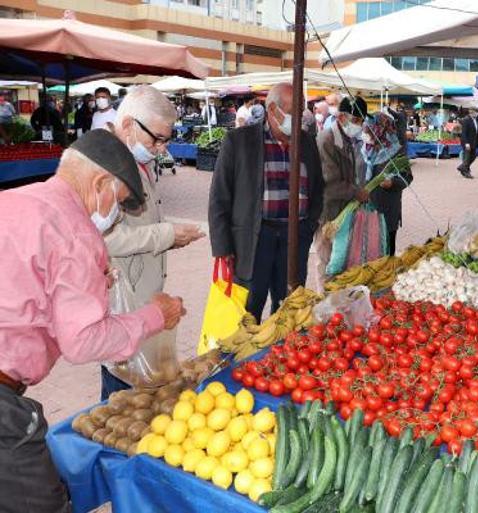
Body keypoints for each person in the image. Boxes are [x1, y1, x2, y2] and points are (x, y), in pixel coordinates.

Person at [0, 129, 185, 513]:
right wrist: (155, 316)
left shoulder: (14, 200)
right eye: (117, 201)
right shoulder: (76, 231)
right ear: (101, 183)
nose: (114, 216)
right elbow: (83, 341)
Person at [100, 85, 205, 399]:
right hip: (122, 302)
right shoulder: (104, 166)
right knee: (119, 396)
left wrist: (169, 236)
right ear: (130, 125)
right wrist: (166, 235)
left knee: (138, 392)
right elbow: (103, 240)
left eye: (166, 139)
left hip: (141, 298)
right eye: (157, 138)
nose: (161, 148)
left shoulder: (133, 161)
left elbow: (137, 224)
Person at [209, 82, 324, 320]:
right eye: (293, 112)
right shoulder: (238, 141)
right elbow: (219, 196)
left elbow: (318, 187)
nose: (299, 118)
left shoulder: (307, 142)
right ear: (272, 110)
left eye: (301, 112)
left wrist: (308, 226)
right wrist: (222, 246)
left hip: (294, 239)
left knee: (287, 309)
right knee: (248, 310)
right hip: (254, 239)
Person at [316, 96, 369, 280]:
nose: (358, 125)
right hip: (329, 213)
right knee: (328, 262)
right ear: (341, 117)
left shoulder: (348, 139)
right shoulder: (326, 139)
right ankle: (325, 302)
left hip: (344, 211)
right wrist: (357, 192)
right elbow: (330, 182)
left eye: (361, 121)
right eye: (355, 120)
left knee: (342, 262)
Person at [374, 101, 413, 255]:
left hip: (388, 210)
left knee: (388, 252)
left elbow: (407, 177)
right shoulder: (361, 149)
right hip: (367, 212)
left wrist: (392, 183)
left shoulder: (397, 150)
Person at [457, 109, 478, 179]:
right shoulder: (466, 120)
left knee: (473, 156)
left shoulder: (476, 120)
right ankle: (466, 172)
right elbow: (464, 133)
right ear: (472, 112)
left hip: (474, 142)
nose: (477, 114)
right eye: (477, 112)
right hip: (467, 142)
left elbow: (476, 131)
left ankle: (462, 167)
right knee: (467, 157)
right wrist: (466, 143)